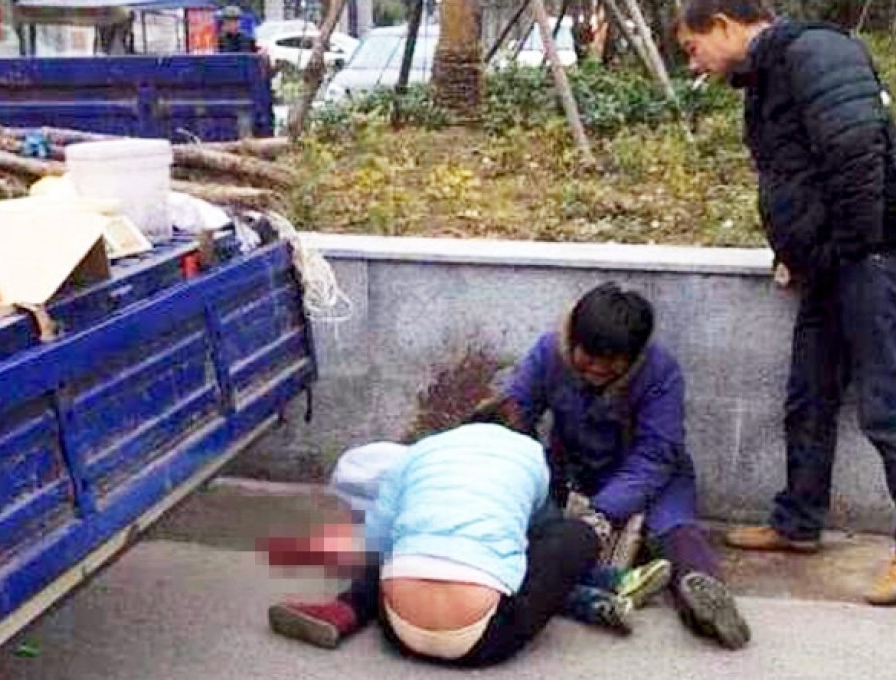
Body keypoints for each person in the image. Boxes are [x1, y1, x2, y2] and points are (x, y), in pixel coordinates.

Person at [676, 0, 896, 606]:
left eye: (693, 48)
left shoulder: (815, 54)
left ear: (722, 24)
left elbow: (857, 158)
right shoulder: (771, 73)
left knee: (887, 408)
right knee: (809, 394)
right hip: (829, 264)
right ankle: (798, 521)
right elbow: (795, 174)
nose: (696, 65)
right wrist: (799, 252)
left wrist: (850, 249)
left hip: (868, 259)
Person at [264, 402, 670, 666]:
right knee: (574, 535)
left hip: (398, 627)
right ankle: (602, 588)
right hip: (484, 640)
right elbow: (540, 538)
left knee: (403, 541)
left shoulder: (422, 451)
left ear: (464, 427)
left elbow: (375, 541)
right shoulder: (531, 455)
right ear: (516, 432)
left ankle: (344, 610)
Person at [503, 282, 750, 649]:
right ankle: (590, 586)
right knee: (540, 528)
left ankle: (702, 594)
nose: (600, 368)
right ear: (573, 340)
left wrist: (602, 512)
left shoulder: (661, 370)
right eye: (591, 355)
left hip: (653, 476)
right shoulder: (547, 353)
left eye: (613, 359)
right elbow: (514, 416)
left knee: (676, 532)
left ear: (634, 355)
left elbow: (657, 452)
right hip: (570, 472)